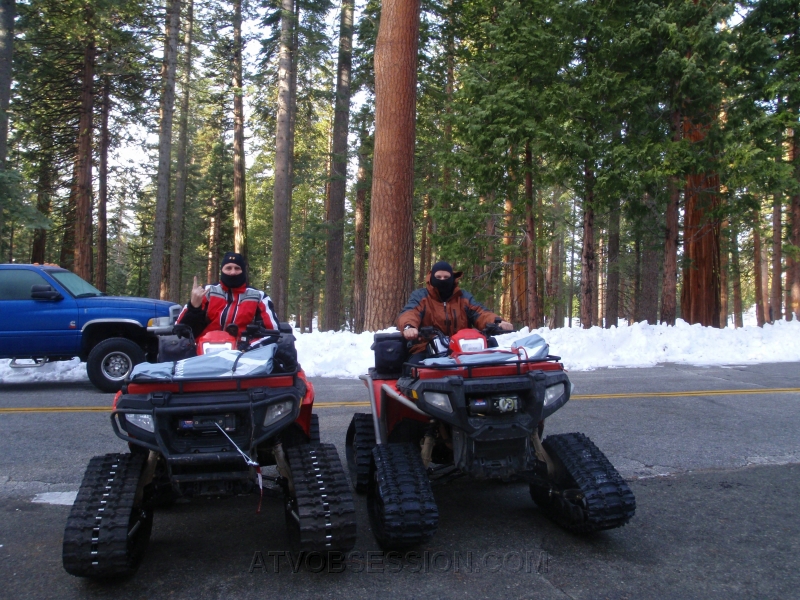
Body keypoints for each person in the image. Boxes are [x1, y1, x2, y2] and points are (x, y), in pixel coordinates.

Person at [397, 260, 513, 363]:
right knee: (414, 368)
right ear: (431, 277)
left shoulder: (463, 297)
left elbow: (481, 312)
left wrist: (498, 322)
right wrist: (409, 327)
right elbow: (410, 312)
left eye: (446, 277)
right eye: (438, 277)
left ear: (452, 278)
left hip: (464, 347)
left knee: (491, 361)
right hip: (428, 347)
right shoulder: (421, 296)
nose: (442, 280)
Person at [176, 252, 279, 340]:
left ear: (243, 271)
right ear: (222, 270)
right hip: (205, 350)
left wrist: (249, 346)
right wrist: (194, 307)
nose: (233, 272)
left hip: (244, 353)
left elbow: (272, 331)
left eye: (237, 268)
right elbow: (180, 328)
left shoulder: (259, 296)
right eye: (228, 268)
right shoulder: (207, 292)